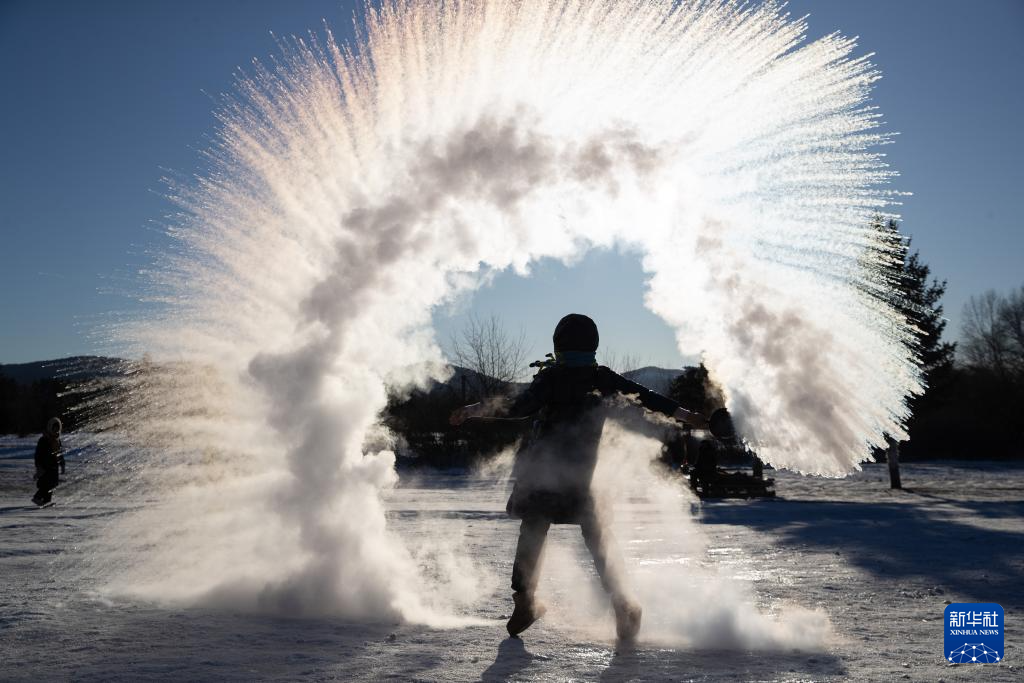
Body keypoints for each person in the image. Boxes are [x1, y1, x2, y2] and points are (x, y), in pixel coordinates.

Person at [450, 313, 709, 641]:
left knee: (533, 530)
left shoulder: (552, 377)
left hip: (543, 474)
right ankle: (623, 603)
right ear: (593, 344)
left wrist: (473, 409)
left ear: (559, 344)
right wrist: (687, 415)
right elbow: (647, 397)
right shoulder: (601, 377)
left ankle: (525, 600)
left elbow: (518, 406)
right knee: (597, 537)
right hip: (581, 474)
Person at [32, 417, 65, 507]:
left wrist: (62, 464)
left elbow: (59, 454)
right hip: (45, 465)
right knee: (46, 484)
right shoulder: (44, 439)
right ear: (50, 427)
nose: (56, 429)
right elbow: (38, 454)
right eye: (54, 427)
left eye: (57, 428)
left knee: (53, 483)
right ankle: (37, 497)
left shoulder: (57, 440)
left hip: (54, 466)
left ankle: (47, 501)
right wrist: (39, 465)